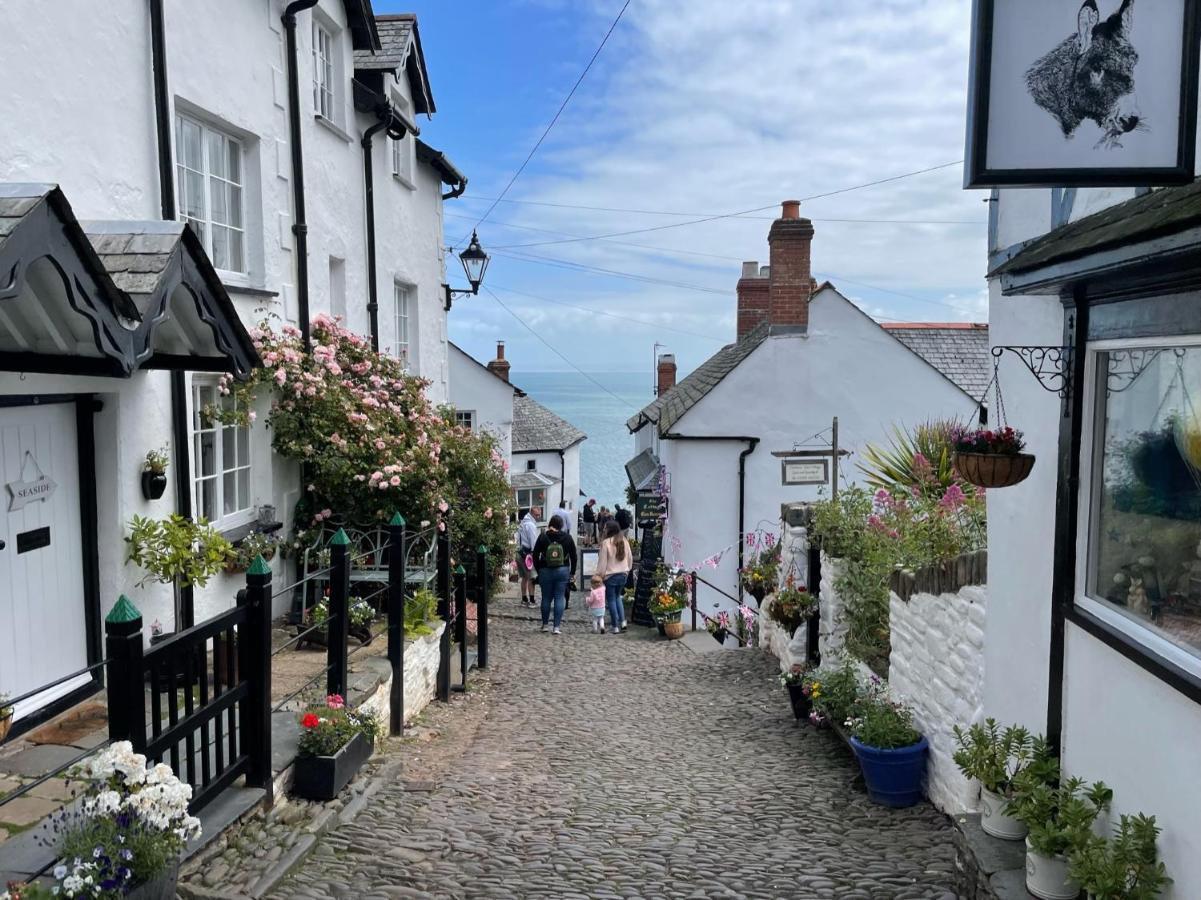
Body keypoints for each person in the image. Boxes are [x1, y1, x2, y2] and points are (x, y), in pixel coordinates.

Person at [533, 514, 577, 634]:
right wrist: (572, 573)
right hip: (562, 571)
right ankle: (556, 627)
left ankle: (545, 625)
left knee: (546, 598)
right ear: (561, 525)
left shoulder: (542, 537)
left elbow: (535, 555)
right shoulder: (568, 538)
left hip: (545, 570)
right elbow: (574, 556)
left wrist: (539, 570)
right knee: (559, 597)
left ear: (550, 524)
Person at [596, 519, 632, 634]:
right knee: (618, 598)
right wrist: (627, 570)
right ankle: (623, 622)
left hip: (610, 576)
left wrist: (599, 576)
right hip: (623, 574)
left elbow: (602, 562)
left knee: (611, 600)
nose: (604, 529)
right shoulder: (624, 540)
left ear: (609, 530)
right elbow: (630, 558)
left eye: (605, 528)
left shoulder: (606, 543)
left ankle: (615, 626)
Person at [517, 507, 540, 608]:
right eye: (536, 515)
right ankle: (531, 600)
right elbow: (534, 542)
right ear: (531, 513)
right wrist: (536, 554)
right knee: (532, 577)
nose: (538, 517)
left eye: (539, 515)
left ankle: (523, 599)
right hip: (527, 554)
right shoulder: (530, 525)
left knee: (524, 577)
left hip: (519, 552)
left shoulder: (522, 523)